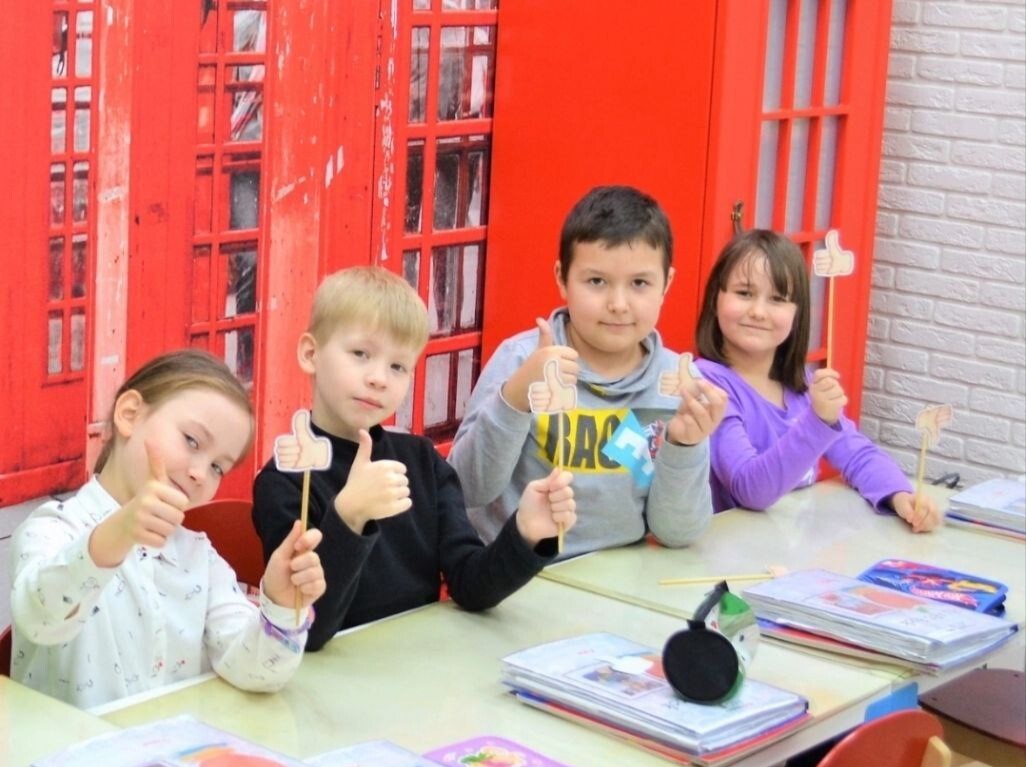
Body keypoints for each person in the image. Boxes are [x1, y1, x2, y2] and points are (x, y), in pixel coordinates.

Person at [251, 266, 576, 651]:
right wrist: (349, 517)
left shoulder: (422, 462)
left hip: (418, 662)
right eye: (360, 354)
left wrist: (525, 534)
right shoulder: (285, 481)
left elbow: (471, 586)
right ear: (311, 354)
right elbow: (308, 630)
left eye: (397, 366)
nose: (379, 378)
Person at [10, 350, 326, 709]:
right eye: (191, 441)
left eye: (218, 468)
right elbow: (39, 618)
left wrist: (282, 606)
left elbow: (255, 671)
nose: (200, 473)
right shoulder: (52, 528)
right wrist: (117, 534)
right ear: (130, 414)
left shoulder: (199, 557)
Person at [448, 185, 727, 556]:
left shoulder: (676, 383)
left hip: (620, 578)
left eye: (639, 283)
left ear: (667, 284)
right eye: (597, 281)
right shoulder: (522, 360)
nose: (618, 304)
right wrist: (515, 397)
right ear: (562, 278)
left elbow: (678, 533)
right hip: (516, 572)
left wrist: (685, 445)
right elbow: (465, 489)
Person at [694, 229, 940, 527]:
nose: (758, 311)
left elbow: (857, 454)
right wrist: (818, 421)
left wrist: (899, 495)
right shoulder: (707, 386)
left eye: (777, 299)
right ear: (715, 298)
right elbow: (750, 490)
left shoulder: (804, 387)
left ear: (797, 313)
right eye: (744, 293)